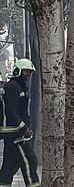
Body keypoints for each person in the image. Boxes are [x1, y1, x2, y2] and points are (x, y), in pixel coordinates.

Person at [0, 58, 39, 187]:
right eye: (25, 71)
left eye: (29, 72)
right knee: (30, 162)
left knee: (9, 165)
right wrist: (24, 129)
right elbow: (12, 111)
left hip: (13, 133)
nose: (27, 75)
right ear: (18, 71)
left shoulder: (16, 86)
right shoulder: (13, 87)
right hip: (16, 134)